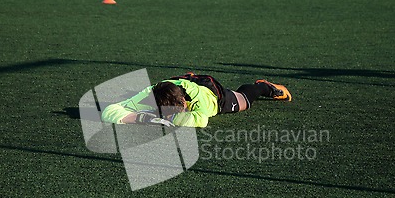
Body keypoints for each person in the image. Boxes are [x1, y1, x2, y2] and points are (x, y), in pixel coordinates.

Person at [101, 72, 292, 128]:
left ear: (184, 103)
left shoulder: (200, 100)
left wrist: (172, 119)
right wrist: (143, 118)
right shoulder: (148, 94)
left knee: (244, 100)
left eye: (179, 110)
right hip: (178, 83)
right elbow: (108, 111)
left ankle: (265, 86)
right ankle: (187, 75)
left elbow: (201, 120)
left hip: (212, 93)